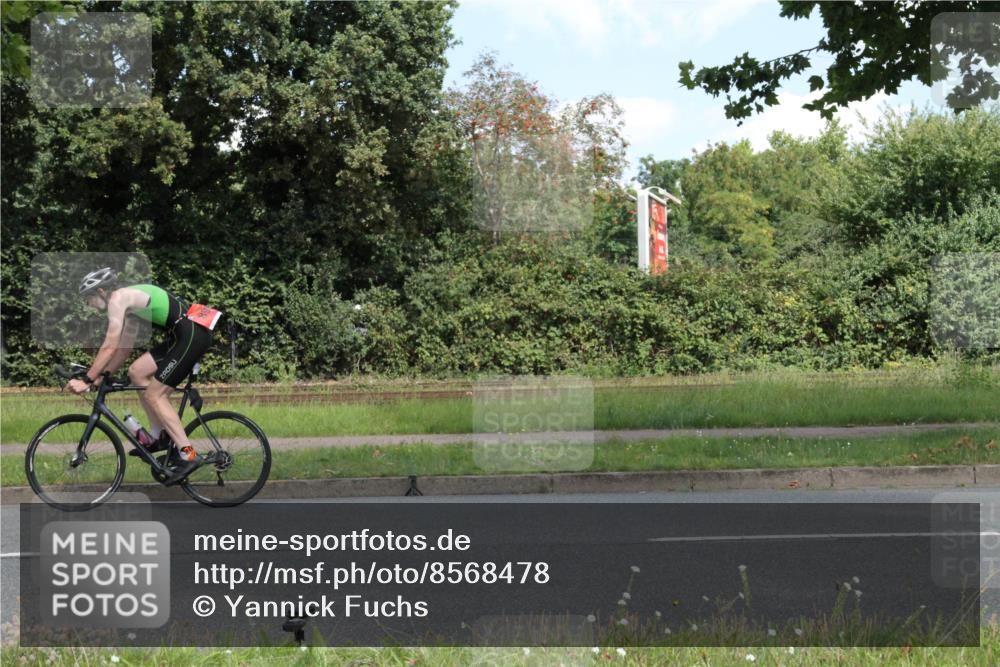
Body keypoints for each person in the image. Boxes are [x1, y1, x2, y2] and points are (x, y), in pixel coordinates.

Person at [65, 267, 216, 484]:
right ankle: (159, 436)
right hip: (185, 334)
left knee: (155, 395)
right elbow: (123, 350)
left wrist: (87, 379)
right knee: (136, 372)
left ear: (100, 291)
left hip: (192, 334)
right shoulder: (129, 306)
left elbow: (109, 345)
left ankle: (189, 455)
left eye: (87, 299)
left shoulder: (118, 299)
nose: (87, 305)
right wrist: (101, 378)